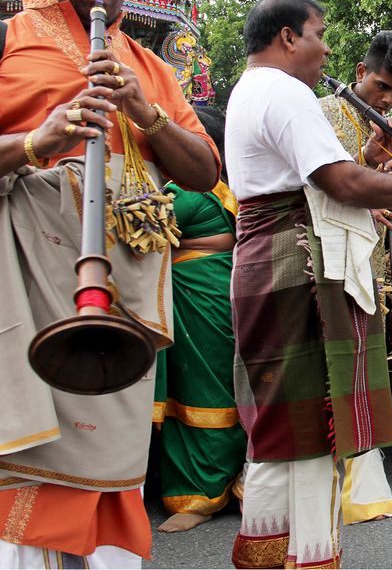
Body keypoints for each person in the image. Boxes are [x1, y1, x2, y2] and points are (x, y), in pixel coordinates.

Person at [0, 0, 221, 566]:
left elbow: (204, 171)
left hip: (121, 287)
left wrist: (144, 113)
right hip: (23, 280)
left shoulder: (151, 67)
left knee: (113, 469)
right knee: (20, 471)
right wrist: (38, 140)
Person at [224, 0, 392, 568]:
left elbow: (316, 181)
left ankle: (268, 546)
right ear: (287, 38)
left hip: (269, 258)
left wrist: (376, 163)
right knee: (308, 427)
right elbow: (342, 185)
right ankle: (307, 556)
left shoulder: (247, 89)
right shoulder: (287, 92)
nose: (325, 49)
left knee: (283, 425)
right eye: (319, 35)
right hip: (298, 265)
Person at [317, 30, 392, 525]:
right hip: (322, 264)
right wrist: (367, 175)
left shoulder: (390, 128)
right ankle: (318, 486)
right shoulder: (320, 113)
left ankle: (362, 487)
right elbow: (315, 185)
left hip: (374, 270)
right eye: (383, 87)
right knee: (322, 373)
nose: (389, 100)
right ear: (360, 73)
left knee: (363, 373)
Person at [153, 106, 246, 534]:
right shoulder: (221, 189)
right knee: (212, 388)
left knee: (202, 392)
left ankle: (202, 493)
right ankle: (223, 483)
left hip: (202, 303)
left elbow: (138, 230)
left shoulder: (188, 191)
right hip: (212, 296)